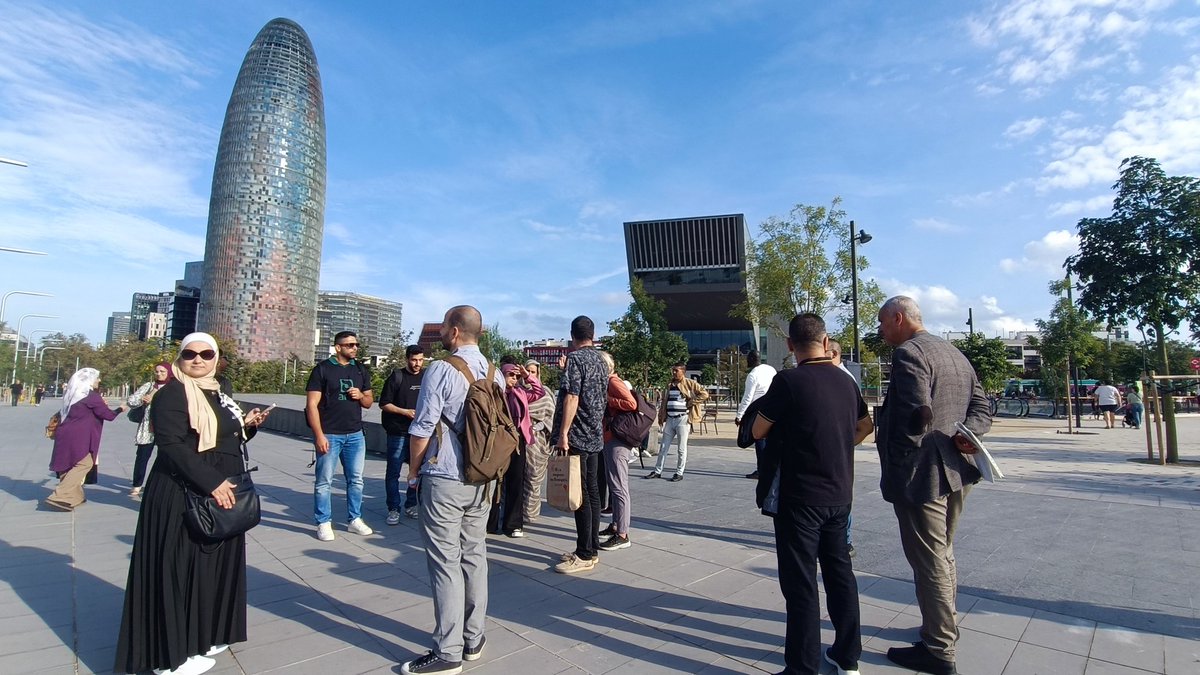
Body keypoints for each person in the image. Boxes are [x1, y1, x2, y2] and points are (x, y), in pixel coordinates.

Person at [114, 333, 272, 675]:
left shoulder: (215, 392)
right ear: (180, 358)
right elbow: (171, 444)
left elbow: (225, 436)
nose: (198, 359)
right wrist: (212, 482)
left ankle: (199, 637)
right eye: (190, 353)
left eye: (206, 353)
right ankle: (167, 659)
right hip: (182, 493)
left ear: (215, 358)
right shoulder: (173, 392)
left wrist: (248, 427)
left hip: (218, 492)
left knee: (206, 568)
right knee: (177, 567)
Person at [876, 296, 992, 675]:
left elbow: (915, 417)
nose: (880, 331)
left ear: (898, 318)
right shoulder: (954, 352)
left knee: (928, 559)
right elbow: (982, 408)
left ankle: (939, 649)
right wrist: (967, 435)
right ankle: (943, 624)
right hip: (959, 469)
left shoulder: (909, 354)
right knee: (943, 551)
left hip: (922, 474)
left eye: (882, 324)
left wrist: (897, 463)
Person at [751, 313, 873, 675]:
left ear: (790, 345)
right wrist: (837, 442)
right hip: (840, 495)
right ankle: (847, 657)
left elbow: (758, 431)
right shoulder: (846, 381)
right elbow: (865, 426)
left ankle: (802, 667)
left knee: (801, 582)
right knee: (840, 574)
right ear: (825, 339)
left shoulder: (788, 381)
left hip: (800, 497)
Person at [400, 305, 504, 675]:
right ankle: (474, 638)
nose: (441, 331)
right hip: (483, 478)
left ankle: (448, 651)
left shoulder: (442, 369)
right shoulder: (495, 373)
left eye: (444, 325)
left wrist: (413, 472)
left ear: (456, 331)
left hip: (445, 475)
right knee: (475, 555)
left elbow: (423, 425)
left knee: (444, 561)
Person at [551, 316, 608, 574]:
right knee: (593, 492)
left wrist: (563, 432)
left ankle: (585, 553)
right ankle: (591, 546)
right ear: (593, 334)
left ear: (572, 335)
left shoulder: (575, 359)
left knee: (580, 493)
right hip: (595, 433)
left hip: (578, 433)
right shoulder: (601, 359)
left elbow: (572, 397)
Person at [306, 330, 374, 541]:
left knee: (356, 480)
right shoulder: (323, 369)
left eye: (356, 345)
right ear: (338, 347)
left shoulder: (360, 369)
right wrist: (319, 435)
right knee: (324, 481)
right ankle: (323, 522)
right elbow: (311, 405)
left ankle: (355, 519)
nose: (354, 348)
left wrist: (361, 395)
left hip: (355, 434)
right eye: (350, 345)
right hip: (330, 434)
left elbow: (370, 402)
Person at [45, 368, 127, 511]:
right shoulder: (91, 396)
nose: (99, 380)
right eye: (97, 378)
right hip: (80, 435)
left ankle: (76, 496)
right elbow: (108, 415)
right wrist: (120, 409)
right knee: (85, 463)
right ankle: (60, 494)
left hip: (65, 432)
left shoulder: (71, 394)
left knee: (69, 462)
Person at [489, 362, 546, 538]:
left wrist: (527, 376)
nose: (514, 379)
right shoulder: (494, 393)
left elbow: (539, 391)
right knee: (495, 482)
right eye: (510, 375)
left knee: (516, 481)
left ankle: (513, 524)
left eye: (516, 376)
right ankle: (490, 522)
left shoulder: (520, 393)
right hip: (498, 440)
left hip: (517, 440)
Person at [380, 345, 425, 525]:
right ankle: (393, 508)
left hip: (419, 432)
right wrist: (404, 411)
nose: (417, 364)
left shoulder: (426, 376)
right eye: (414, 360)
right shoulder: (397, 377)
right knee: (393, 472)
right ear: (407, 359)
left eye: (421, 360)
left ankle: (411, 504)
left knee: (417, 471)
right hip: (398, 432)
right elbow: (384, 404)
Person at [598, 351, 637, 551]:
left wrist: (608, 400)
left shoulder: (613, 381)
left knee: (619, 487)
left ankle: (623, 534)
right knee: (614, 486)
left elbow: (631, 403)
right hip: (609, 438)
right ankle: (616, 526)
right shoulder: (608, 381)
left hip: (618, 440)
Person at [646, 363, 709, 481]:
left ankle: (679, 472)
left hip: (682, 419)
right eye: (673, 371)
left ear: (683, 372)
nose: (674, 373)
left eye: (676, 371)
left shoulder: (689, 383)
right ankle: (657, 470)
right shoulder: (670, 384)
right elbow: (665, 400)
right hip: (670, 418)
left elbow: (704, 393)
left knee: (681, 448)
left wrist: (692, 402)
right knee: (663, 447)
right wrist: (661, 416)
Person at [126, 362, 174, 498]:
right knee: (142, 457)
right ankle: (137, 484)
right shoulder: (148, 386)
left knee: (166, 457)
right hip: (148, 428)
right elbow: (131, 401)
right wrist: (143, 399)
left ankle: (162, 484)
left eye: (162, 371)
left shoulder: (173, 387)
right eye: (157, 371)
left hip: (166, 428)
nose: (159, 374)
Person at [522, 359, 556, 523]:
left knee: (534, 477)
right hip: (520, 438)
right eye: (527, 371)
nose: (529, 375)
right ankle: (516, 512)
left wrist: (539, 424)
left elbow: (551, 414)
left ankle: (530, 513)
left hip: (539, 439)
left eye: (533, 372)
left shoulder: (545, 392)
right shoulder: (518, 392)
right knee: (519, 478)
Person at [736, 350, 776, 480]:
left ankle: (761, 470)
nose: (746, 360)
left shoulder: (753, 375)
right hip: (772, 406)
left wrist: (739, 415)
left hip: (758, 409)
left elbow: (748, 397)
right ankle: (769, 468)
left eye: (748, 358)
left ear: (753, 359)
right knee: (769, 440)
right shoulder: (770, 369)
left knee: (759, 438)